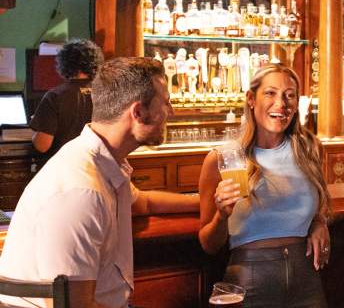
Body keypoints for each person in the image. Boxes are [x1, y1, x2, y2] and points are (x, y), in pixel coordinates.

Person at [0, 57, 199, 308]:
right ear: (138, 112)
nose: (171, 112)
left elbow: (142, 203)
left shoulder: (100, 162)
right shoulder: (81, 191)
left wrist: (204, 201)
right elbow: (75, 306)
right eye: (166, 103)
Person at [198, 63, 330, 308]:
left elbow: (318, 202)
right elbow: (208, 244)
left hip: (306, 276)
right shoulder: (221, 158)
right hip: (250, 278)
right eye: (270, 93)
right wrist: (221, 215)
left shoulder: (310, 149)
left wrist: (319, 220)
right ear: (251, 99)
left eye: (290, 95)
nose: (281, 104)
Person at [30, 38, 104, 162]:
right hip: (98, 168)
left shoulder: (55, 96)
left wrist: (38, 129)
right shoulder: (107, 94)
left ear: (64, 63)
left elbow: (42, 146)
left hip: (66, 169)